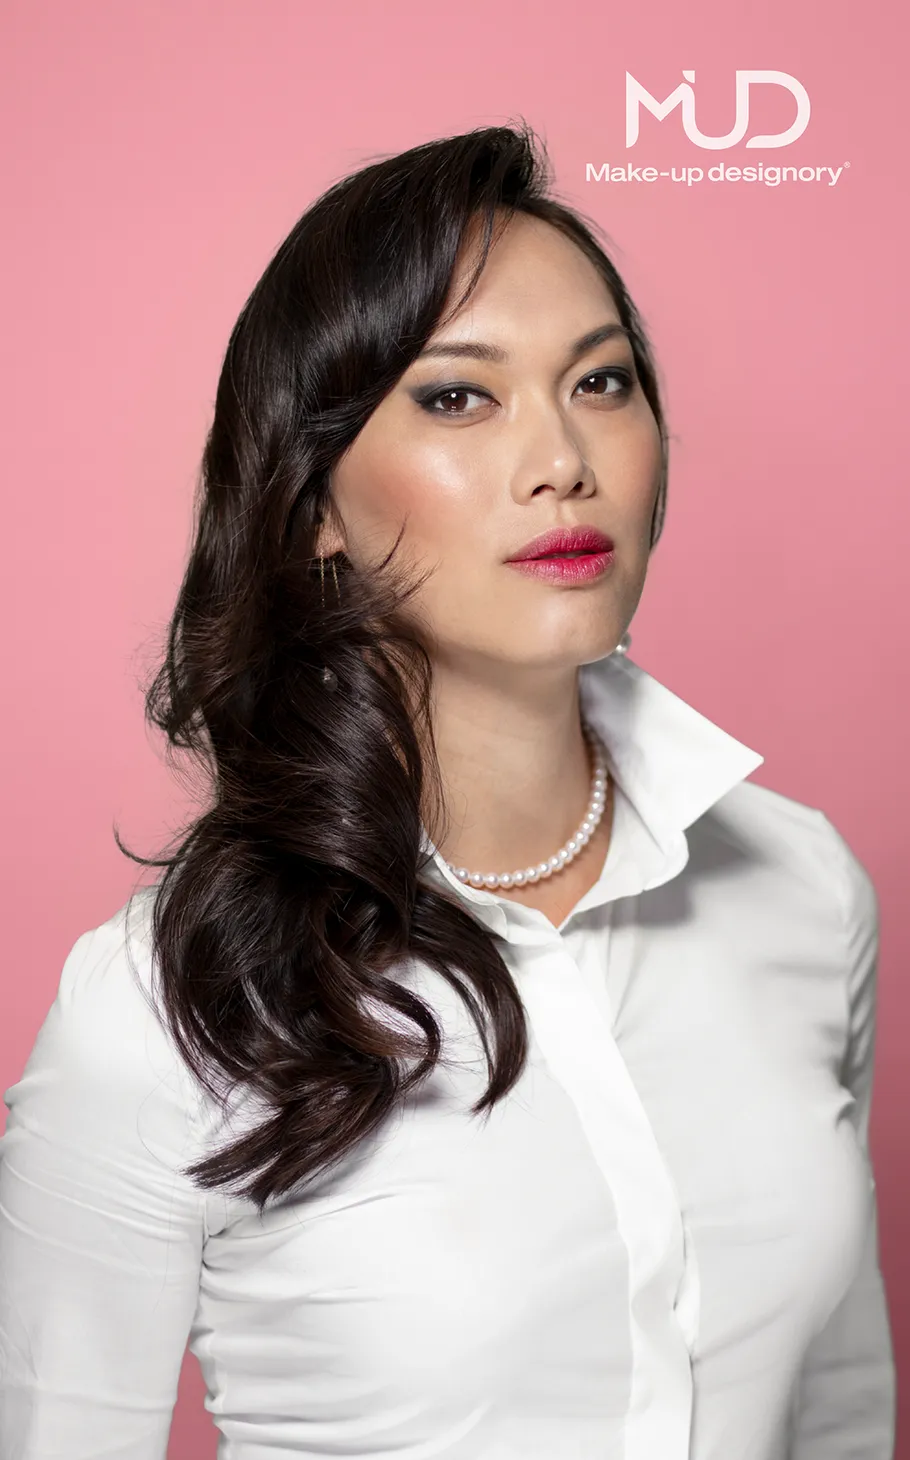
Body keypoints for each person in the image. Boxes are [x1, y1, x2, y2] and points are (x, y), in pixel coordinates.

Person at [0, 124, 895, 1460]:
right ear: (314, 499)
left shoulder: (800, 887)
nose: (563, 459)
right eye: (458, 397)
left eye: (601, 381)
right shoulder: (162, 1009)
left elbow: (839, 1408)